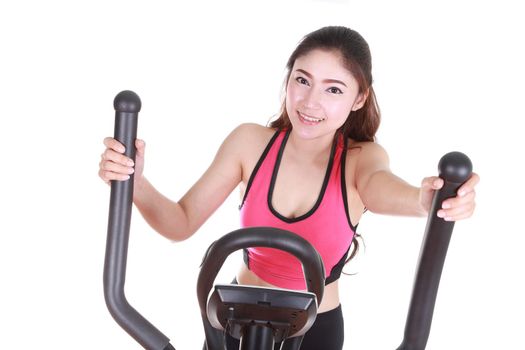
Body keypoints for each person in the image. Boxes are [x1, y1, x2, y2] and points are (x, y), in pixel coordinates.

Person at [99, 26, 479, 350]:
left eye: (333, 90)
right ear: (288, 79)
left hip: (315, 332)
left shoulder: (361, 159)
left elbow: (382, 188)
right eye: (302, 80)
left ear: (359, 98)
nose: (310, 102)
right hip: (232, 323)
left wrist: (426, 199)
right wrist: (134, 179)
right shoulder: (250, 142)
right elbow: (180, 223)